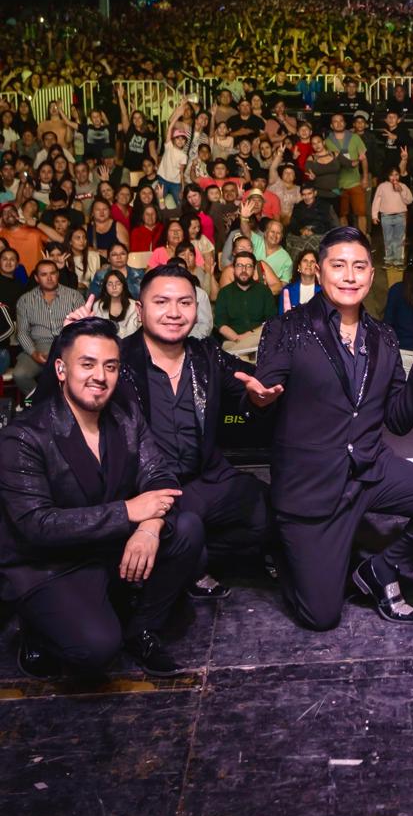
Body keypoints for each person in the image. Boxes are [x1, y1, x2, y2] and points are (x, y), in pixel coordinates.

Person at [252, 227, 413, 630]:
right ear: (320, 270)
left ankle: (380, 569)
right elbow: (263, 397)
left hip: (370, 470)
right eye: (339, 266)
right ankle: (283, 544)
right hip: (313, 485)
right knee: (321, 616)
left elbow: (398, 420)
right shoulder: (287, 328)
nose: (349, 276)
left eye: (359, 267)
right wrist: (260, 398)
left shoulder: (383, 336)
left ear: (371, 275)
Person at [0, 319, 202, 678]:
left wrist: (149, 527)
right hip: (50, 563)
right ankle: (37, 629)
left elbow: (161, 477)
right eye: (87, 364)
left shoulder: (126, 416)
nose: (100, 376)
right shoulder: (24, 436)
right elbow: (37, 525)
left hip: (105, 546)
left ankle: (140, 630)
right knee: (96, 649)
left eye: (110, 366)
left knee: (187, 529)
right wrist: (128, 512)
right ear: (61, 369)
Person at [106, 262, 278, 601]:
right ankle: (187, 559)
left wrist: (259, 398)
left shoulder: (205, 353)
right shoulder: (118, 360)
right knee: (184, 536)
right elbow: (60, 402)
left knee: (272, 511)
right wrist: (67, 344)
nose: (174, 312)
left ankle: (192, 554)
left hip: (205, 479)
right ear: (140, 310)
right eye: (161, 302)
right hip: (146, 487)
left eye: (184, 302)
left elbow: (250, 383)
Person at [14, 259, 84, 395]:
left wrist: (67, 349)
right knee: (20, 374)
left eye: (52, 273)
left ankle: (64, 403)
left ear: (58, 275)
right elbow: (22, 332)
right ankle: (41, 401)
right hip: (38, 347)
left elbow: (82, 327)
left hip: (67, 345)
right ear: (36, 278)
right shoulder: (25, 300)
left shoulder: (74, 296)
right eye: (44, 274)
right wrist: (34, 353)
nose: (49, 278)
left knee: (76, 374)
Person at [213, 250, 277, 351]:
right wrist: (237, 338)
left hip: (260, 340)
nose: (244, 270)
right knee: (240, 355)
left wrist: (250, 335)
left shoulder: (264, 291)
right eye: (239, 265)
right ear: (234, 269)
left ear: (254, 270)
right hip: (232, 341)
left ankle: (238, 353)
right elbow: (221, 324)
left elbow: (271, 321)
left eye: (248, 266)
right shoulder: (224, 293)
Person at [371, 164, 413, 268]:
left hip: (400, 216)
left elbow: (409, 200)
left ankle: (398, 260)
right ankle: (389, 259)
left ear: (399, 175)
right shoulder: (382, 186)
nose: (394, 177)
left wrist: (401, 191)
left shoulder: (403, 186)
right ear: (387, 176)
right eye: (391, 175)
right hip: (386, 216)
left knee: (399, 239)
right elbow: (376, 201)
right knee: (388, 238)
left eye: (396, 174)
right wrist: (374, 215)